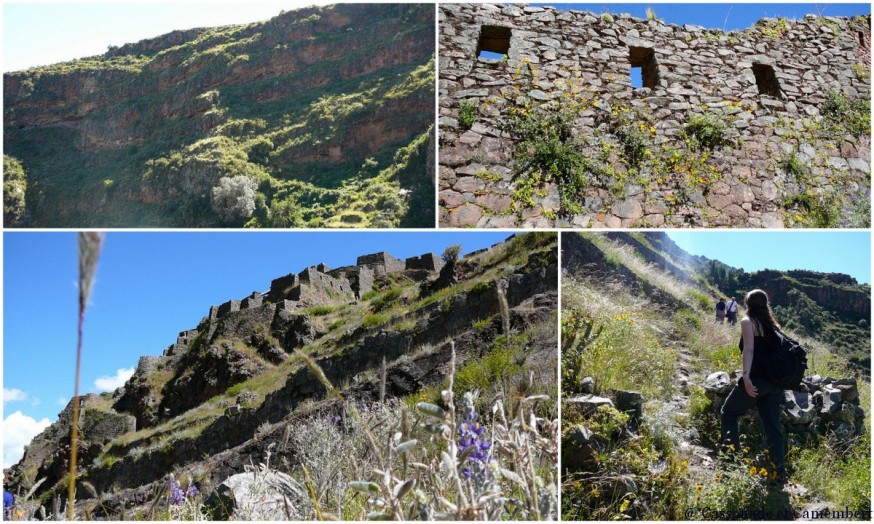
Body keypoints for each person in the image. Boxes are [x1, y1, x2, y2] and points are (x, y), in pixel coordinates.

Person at [720, 289, 787, 483]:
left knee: (729, 413)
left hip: (757, 379)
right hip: (774, 384)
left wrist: (746, 377)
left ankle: (730, 463)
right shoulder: (775, 326)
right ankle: (778, 472)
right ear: (765, 304)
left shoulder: (748, 322)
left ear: (747, 304)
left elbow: (749, 349)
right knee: (772, 427)